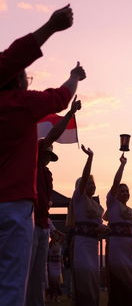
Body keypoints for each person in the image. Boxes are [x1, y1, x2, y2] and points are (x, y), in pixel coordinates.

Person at [0, 6, 86, 306]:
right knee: (12, 287)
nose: (28, 79)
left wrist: (49, 27)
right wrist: (74, 76)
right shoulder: (22, 104)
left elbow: (13, 55)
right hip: (14, 207)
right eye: (25, 75)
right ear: (18, 81)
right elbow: (61, 97)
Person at [25, 96, 81, 306]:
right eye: (47, 153)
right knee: (26, 273)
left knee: (40, 277)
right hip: (28, 225)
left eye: (50, 156)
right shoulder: (32, 166)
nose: (48, 157)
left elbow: (45, 208)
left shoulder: (47, 175)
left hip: (41, 227)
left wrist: (50, 228)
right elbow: (51, 136)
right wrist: (69, 114)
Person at [0, 4, 73, 87]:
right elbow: (57, 97)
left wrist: (51, 26)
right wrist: (51, 26)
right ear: (19, 80)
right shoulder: (19, 99)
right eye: (25, 77)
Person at [70, 145, 106, 306]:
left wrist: (104, 230)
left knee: (93, 281)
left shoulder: (98, 207)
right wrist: (90, 157)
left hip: (94, 247)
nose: (91, 185)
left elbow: (100, 228)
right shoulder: (79, 199)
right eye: (88, 183)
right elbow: (84, 178)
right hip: (81, 246)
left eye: (93, 183)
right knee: (83, 280)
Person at [104, 154, 132, 306]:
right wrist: (122, 165)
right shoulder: (112, 203)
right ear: (116, 194)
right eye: (122, 191)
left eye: (127, 191)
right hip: (116, 251)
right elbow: (115, 183)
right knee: (118, 285)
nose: (125, 193)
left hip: (129, 253)